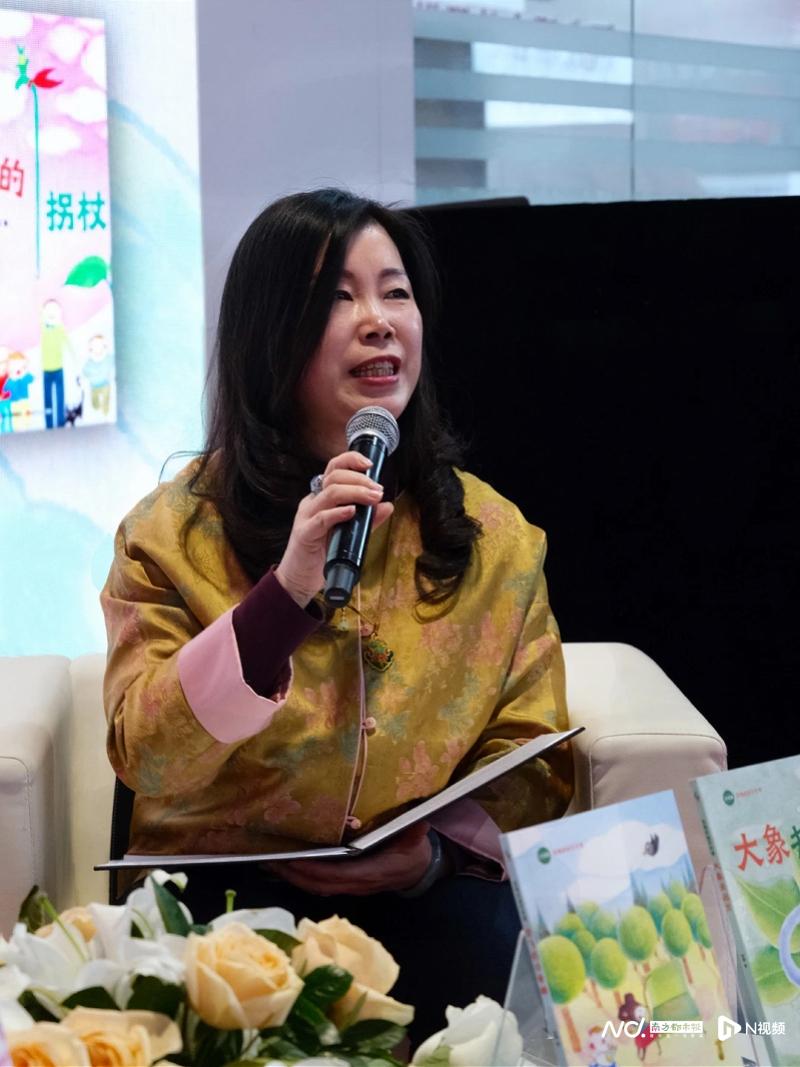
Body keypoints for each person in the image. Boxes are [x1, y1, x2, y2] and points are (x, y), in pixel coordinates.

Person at [101, 188, 574, 1041]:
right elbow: (148, 754)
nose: (378, 322)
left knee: (512, 978)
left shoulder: (494, 536)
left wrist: (434, 853)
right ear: (269, 335)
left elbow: (533, 759)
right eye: (338, 298)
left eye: (396, 292)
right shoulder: (171, 534)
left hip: (422, 891)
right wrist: (283, 596)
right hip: (224, 896)